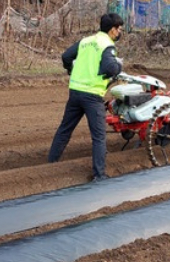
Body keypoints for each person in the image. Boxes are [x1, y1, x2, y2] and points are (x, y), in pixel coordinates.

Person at [48, 13, 124, 181]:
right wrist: (118, 67)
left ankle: (50, 164)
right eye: (119, 29)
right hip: (92, 95)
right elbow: (110, 68)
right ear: (112, 30)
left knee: (64, 129)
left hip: (75, 91)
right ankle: (99, 175)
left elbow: (66, 56)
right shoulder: (107, 45)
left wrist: (70, 70)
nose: (120, 32)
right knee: (98, 136)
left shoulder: (86, 41)